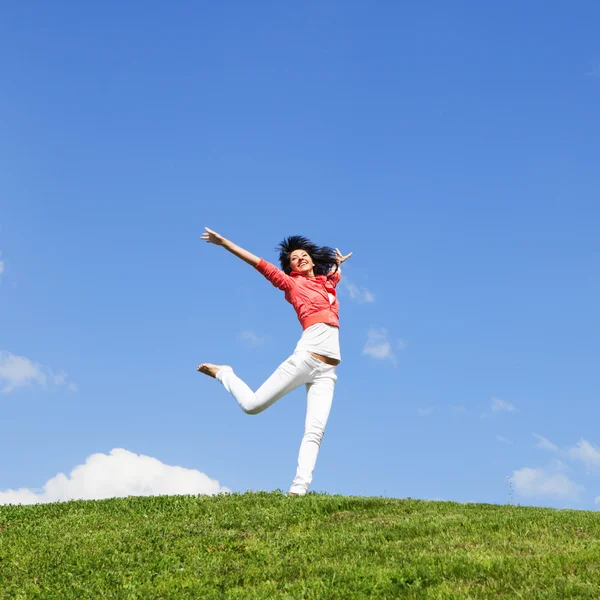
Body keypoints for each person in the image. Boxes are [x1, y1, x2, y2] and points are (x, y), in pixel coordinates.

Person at [197, 227, 352, 496]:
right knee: (252, 406)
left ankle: (298, 489)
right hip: (304, 359)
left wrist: (338, 264)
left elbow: (333, 276)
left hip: (328, 371)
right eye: (294, 259)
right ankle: (225, 373)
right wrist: (225, 243)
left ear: (313, 260)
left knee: (315, 431)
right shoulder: (292, 284)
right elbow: (259, 264)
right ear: (291, 267)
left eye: (304, 255)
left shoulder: (327, 283)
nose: (300, 259)